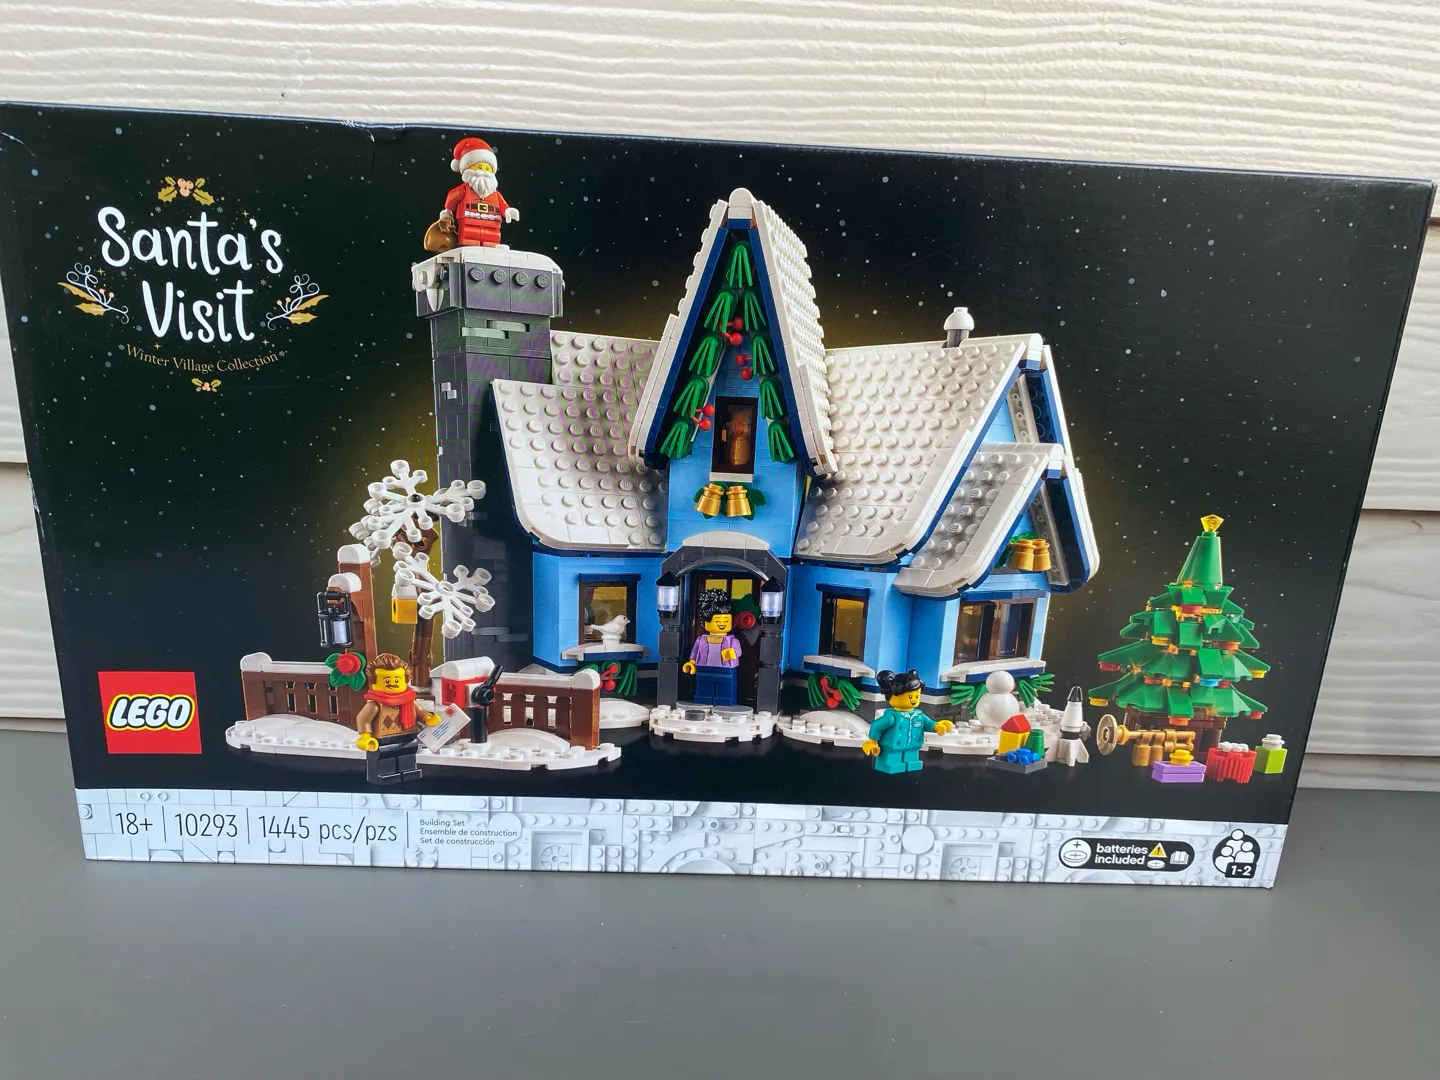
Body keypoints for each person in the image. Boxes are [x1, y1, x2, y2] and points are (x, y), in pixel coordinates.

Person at [353, 653, 441, 784]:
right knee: (383, 756)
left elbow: (419, 712)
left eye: (397, 680)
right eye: (387, 681)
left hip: (407, 736)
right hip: (383, 739)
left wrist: (428, 718)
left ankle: (408, 772)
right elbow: (363, 719)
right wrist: (365, 736)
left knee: (407, 754)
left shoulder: (409, 700)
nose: (392, 684)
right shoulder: (375, 705)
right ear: (374, 682)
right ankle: (383, 775)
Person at [862, 669, 953, 774]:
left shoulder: (918, 714)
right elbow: (876, 726)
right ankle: (890, 766)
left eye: (916, 696)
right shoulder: (891, 717)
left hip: (913, 744)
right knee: (892, 761)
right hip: (892, 746)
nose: (913, 700)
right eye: (910, 696)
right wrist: (872, 741)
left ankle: (911, 764)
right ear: (892, 695)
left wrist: (937, 726)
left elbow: (927, 723)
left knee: (912, 759)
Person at [682, 589, 742, 706]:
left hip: (725, 669)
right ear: (705, 622)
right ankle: (703, 699)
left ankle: (724, 701)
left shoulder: (731, 640)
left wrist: (732, 652)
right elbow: (695, 653)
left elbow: (738, 651)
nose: (722, 623)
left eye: (726, 620)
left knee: (725, 685)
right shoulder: (701, 639)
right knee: (703, 684)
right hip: (704, 668)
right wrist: (691, 663)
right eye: (718, 621)